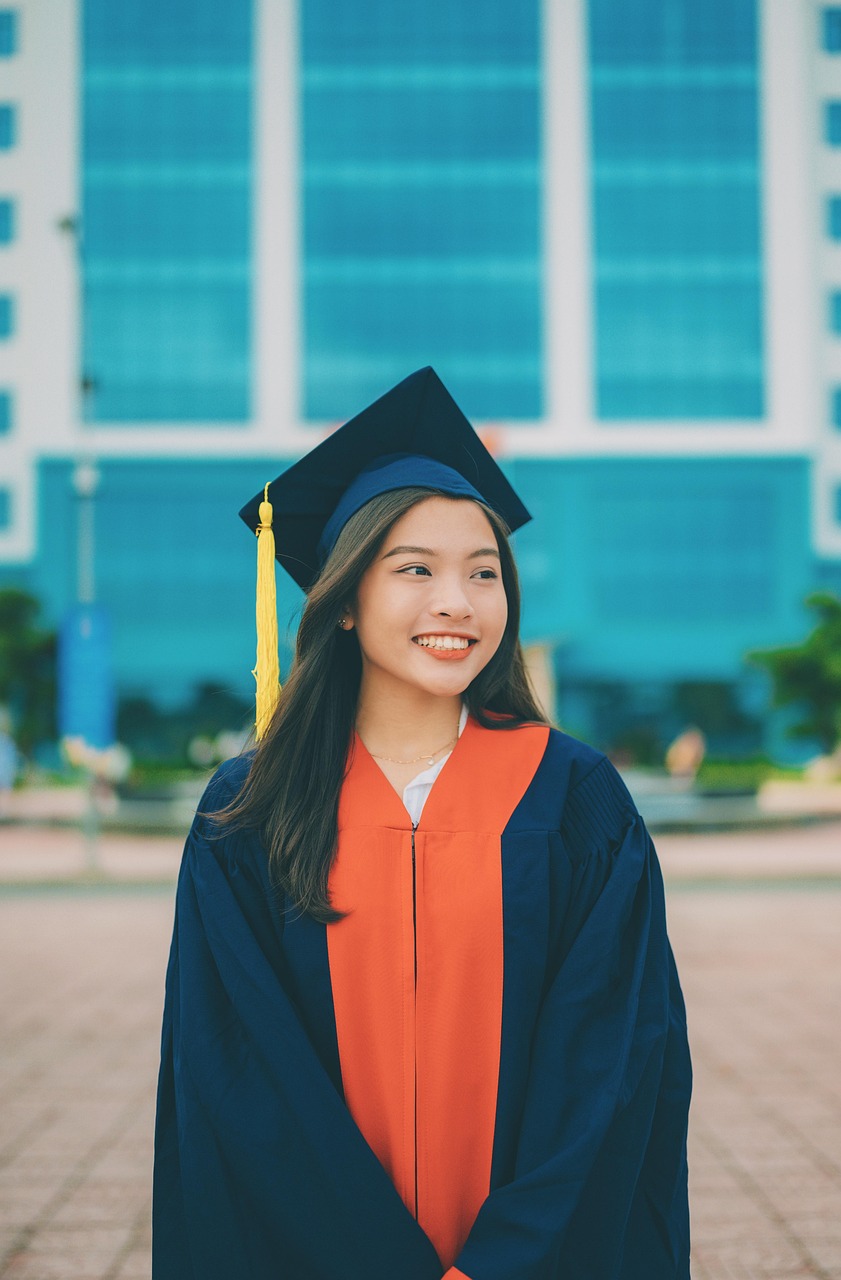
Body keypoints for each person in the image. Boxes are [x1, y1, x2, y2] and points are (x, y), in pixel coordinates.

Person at [152, 367, 692, 1280]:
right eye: (415, 570)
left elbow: (609, 1057)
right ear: (343, 599)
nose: (457, 602)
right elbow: (236, 1066)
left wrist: (504, 1260)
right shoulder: (250, 810)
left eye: (484, 573)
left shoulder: (572, 797)